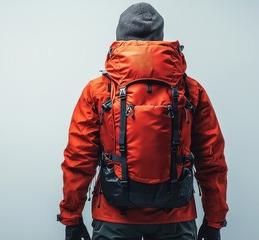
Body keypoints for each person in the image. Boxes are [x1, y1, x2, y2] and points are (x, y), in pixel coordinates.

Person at [58, 2, 228, 240]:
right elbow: (212, 160)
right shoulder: (190, 90)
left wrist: (71, 219)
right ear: (159, 39)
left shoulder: (98, 90)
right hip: (176, 216)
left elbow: (79, 159)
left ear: (120, 38)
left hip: (113, 216)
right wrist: (214, 221)